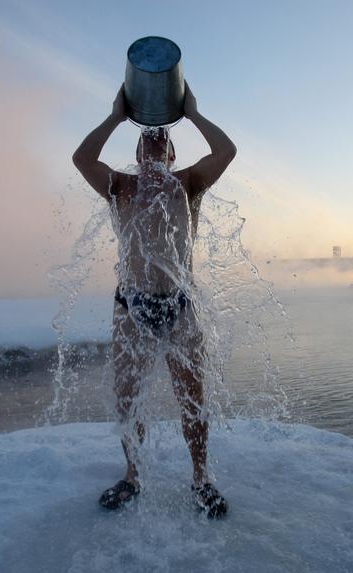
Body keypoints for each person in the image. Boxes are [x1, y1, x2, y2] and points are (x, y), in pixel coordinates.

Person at [72, 82, 236, 518]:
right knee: (127, 399)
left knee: (192, 398)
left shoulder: (188, 184)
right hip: (131, 307)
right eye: (147, 142)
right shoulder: (120, 187)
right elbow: (81, 159)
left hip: (179, 307)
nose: (154, 142)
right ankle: (132, 476)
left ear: (172, 156)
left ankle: (201, 478)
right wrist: (115, 117)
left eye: (163, 141)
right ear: (139, 155)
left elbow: (226, 151)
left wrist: (194, 114)